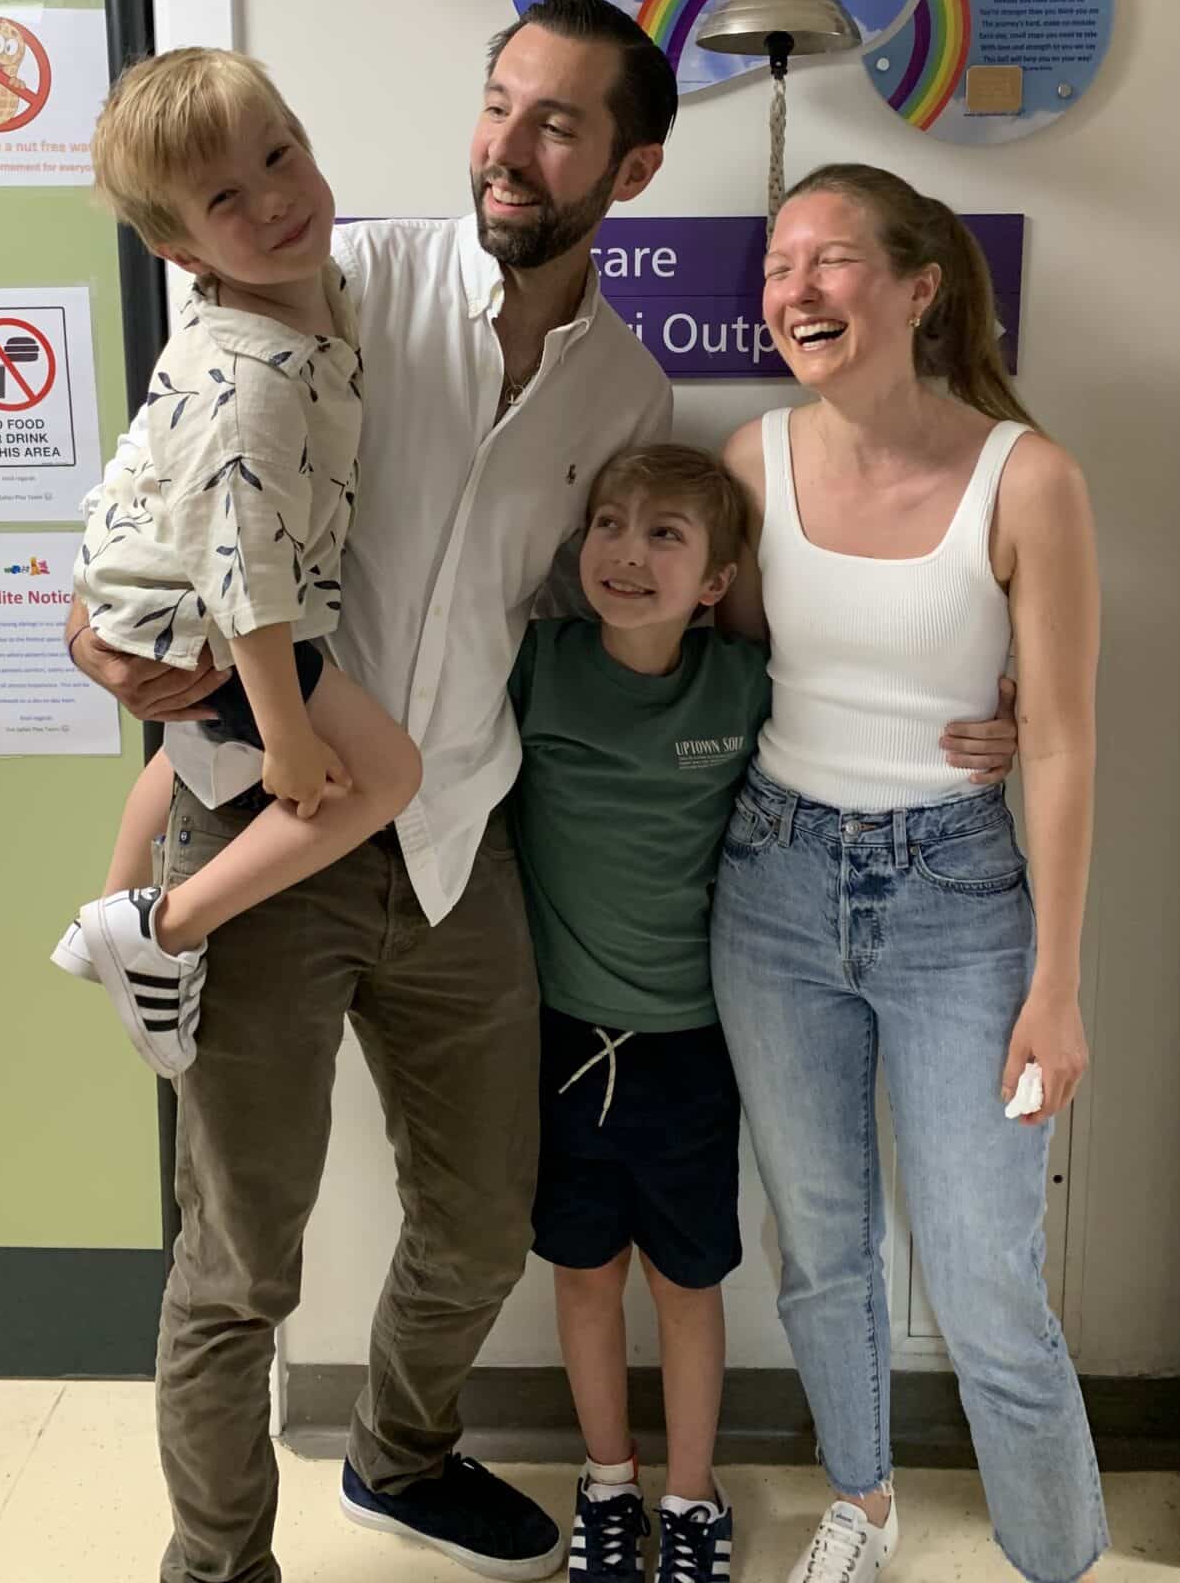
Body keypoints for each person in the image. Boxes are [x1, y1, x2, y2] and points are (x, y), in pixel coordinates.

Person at [68, 11, 1017, 1583]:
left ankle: (400, 1451)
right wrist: (88, 625)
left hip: (461, 848)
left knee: (479, 1217)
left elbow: (683, 606)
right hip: (265, 831)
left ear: (634, 166)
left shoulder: (628, 398)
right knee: (238, 1262)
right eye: (497, 107)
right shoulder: (330, 286)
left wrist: (988, 688)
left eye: (560, 127)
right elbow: (168, 482)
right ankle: (218, 1562)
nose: (509, 149)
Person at [712, 163, 1106, 1583]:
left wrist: (1055, 988)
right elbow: (730, 667)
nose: (795, 292)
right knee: (822, 1248)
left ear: (917, 288)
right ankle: (861, 1509)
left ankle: (1056, 1556)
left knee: (989, 1275)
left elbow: (1060, 748)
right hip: (772, 888)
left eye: (828, 262)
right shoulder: (753, 464)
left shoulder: (1030, 477)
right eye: (776, 270)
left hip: (962, 907)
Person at [50, 48, 421, 1075]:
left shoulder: (314, 292)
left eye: (280, 154)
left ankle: (104, 918)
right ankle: (157, 931)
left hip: (155, 587)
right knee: (385, 772)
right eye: (227, 196)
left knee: (181, 754)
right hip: (197, 610)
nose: (274, 202)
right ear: (178, 245)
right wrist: (289, 735)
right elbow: (247, 577)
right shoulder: (247, 376)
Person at [509, 444, 766, 1583]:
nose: (627, 550)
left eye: (666, 533)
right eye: (610, 524)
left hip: (695, 1050)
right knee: (581, 1272)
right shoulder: (538, 665)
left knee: (687, 1281)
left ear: (715, 579)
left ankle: (693, 1498)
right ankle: (607, 1482)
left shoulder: (745, 684)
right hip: (562, 1043)